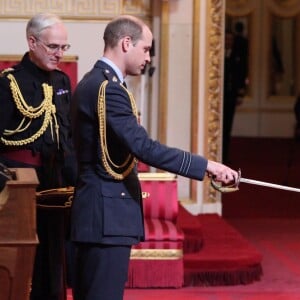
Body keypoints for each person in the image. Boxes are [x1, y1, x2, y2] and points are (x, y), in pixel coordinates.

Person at [70, 15, 239, 300]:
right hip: (105, 216)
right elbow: (144, 148)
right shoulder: (108, 89)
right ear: (126, 43)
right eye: (146, 49)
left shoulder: (96, 82)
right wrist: (207, 165)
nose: (148, 58)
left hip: (98, 213)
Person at [0, 13, 76, 300]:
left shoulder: (62, 81)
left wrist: (76, 183)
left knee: (54, 253)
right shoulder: (9, 84)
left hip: (54, 182)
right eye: (53, 47)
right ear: (32, 42)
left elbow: (66, 138)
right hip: (19, 184)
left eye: (64, 47)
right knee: (23, 254)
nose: (60, 54)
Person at [223, 22, 248, 163]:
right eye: (226, 40)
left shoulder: (238, 56)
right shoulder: (217, 56)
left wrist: (240, 93)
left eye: (231, 40)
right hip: (218, 97)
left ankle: (225, 156)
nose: (228, 42)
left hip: (231, 96)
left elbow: (241, 73)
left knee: (228, 128)